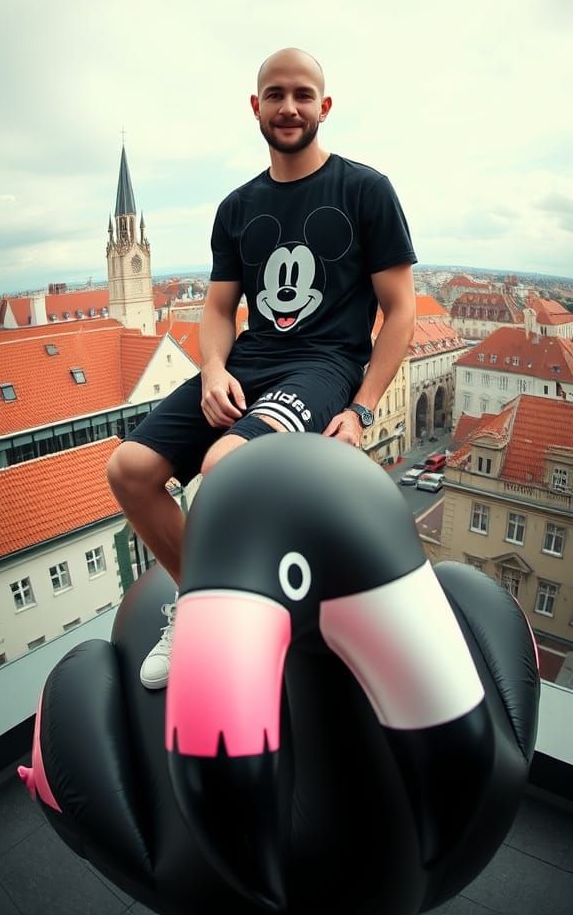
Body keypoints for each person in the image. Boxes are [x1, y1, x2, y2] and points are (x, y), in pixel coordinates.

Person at [107, 47, 418, 689]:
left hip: (323, 367)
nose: (289, 107)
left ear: (323, 107)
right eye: (275, 95)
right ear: (256, 107)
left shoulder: (365, 190)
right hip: (248, 364)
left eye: (303, 95)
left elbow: (401, 313)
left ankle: (238, 629)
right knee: (130, 469)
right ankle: (202, 609)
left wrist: (361, 409)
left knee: (225, 466)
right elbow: (219, 308)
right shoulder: (236, 207)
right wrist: (214, 367)